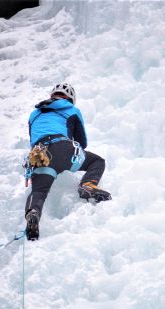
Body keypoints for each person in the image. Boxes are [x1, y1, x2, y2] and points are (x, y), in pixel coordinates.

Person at [24, 83, 111, 240]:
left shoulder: (34, 113)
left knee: (39, 191)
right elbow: (82, 141)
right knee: (97, 161)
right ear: (71, 99)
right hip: (62, 148)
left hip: (39, 154)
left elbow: (33, 137)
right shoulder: (72, 110)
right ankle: (88, 185)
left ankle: (33, 213)